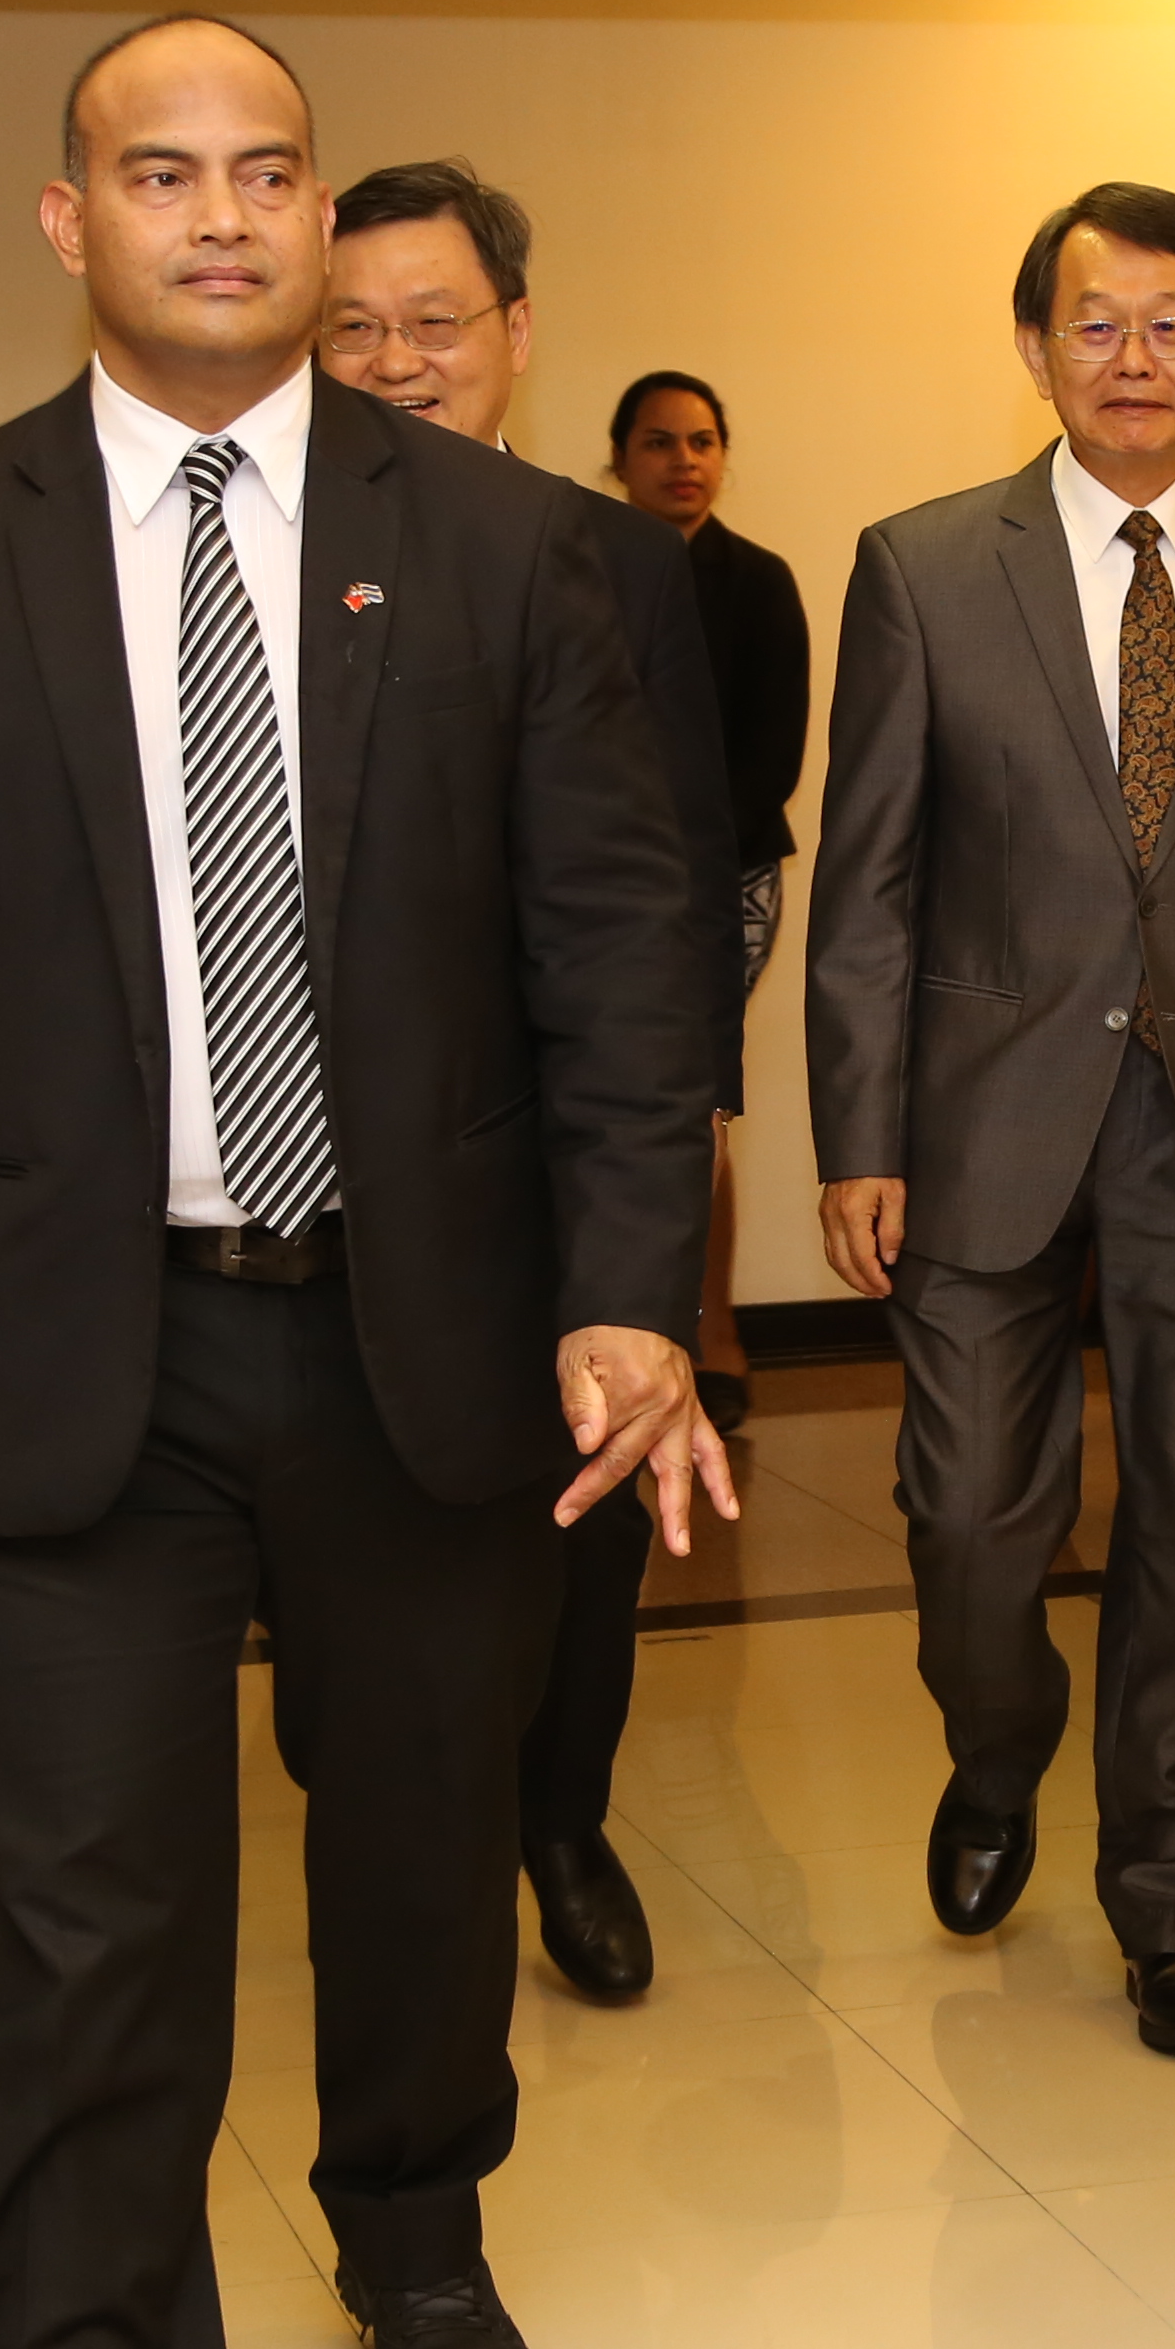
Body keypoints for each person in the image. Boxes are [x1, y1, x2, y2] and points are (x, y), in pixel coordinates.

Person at [0, 16, 727, 2349]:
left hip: (427, 1334)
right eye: (159, 172)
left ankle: (412, 2221)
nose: (219, 213)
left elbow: (618, 959)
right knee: (93, 1927)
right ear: (66, 222)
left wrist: (634, 1285)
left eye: (264, 171)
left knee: (419, 1836)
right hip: (72, 1349)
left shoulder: (507, 553)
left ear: (316, 219)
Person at [809, 183, 1175, 2055]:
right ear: (1034, 348)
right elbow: (867, 877)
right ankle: (997, 1735)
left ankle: (1174, 1903)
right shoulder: (926, 564)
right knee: (966, 1518)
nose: (1133, 359)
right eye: (1094, 324)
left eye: (1173, 324)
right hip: (977, 1116)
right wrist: (857, 1132)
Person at [321, 161, 732, 2006]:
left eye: (434, 322)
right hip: (333, 1152)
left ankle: (562, 1825)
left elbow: (675, 874)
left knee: (578, 1521)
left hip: (559, 1142)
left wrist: (675, 1130)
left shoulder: (619, 561)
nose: (396, 361)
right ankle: (393, 1822)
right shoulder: (263, 553)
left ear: (517, 333)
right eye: (352, 329)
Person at [611, 369, 808, 1426]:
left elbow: (771, 758)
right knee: (607, 1103)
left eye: (701, 441)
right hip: (593, 885)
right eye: (658, 442)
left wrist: (673, 872)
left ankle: (713, 1331)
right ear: (619, 460)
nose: (683, 461)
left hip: (723, 883)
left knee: (694, 1106)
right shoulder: (577, 564)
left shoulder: (759, 581)